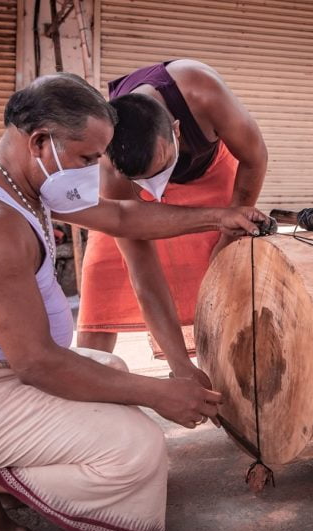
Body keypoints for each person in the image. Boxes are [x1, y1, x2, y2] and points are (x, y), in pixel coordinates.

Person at [0, 73, 267, 531]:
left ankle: (16, 476)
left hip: (0, 378)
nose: (95, 170)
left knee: (111, 372)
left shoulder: (27, 179)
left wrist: (218, 216)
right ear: (39, 141)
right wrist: (162, 393)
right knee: (137, 449)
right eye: (89, 158)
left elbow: (120, 216)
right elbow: (38, 363)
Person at [77, 59, 268, 380]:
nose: (160, 188)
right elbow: (143, 272)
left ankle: (238, 373)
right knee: (104, 271)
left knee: (224, 268)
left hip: (210, 172)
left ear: (177, 130)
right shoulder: (111, 163)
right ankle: (87, 381)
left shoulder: (203, 90)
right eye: (146, 179)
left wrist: (227, 235)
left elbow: (254, 157)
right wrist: (180, 367)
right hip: (126, 190)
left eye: (162, 165)